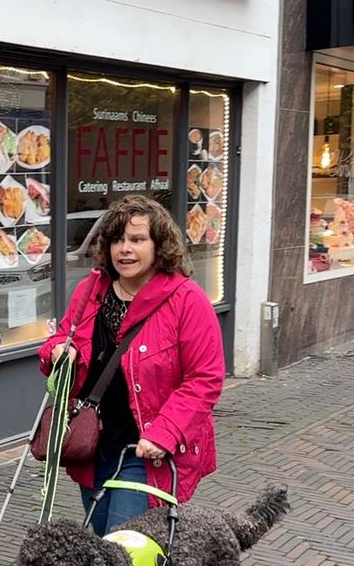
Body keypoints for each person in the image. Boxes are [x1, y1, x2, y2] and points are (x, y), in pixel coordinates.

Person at [38, 195, 224, 535]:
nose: (125, 249)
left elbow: (205, 379)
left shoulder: (187, 300)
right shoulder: (90, 291)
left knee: (121, 547)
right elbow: (64, 339)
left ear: (159, 246)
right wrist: (54, 353)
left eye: (137, 240)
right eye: (117, 240)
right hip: (93, 447)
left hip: (146, 450)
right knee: (102, 536)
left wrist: (165, 433)